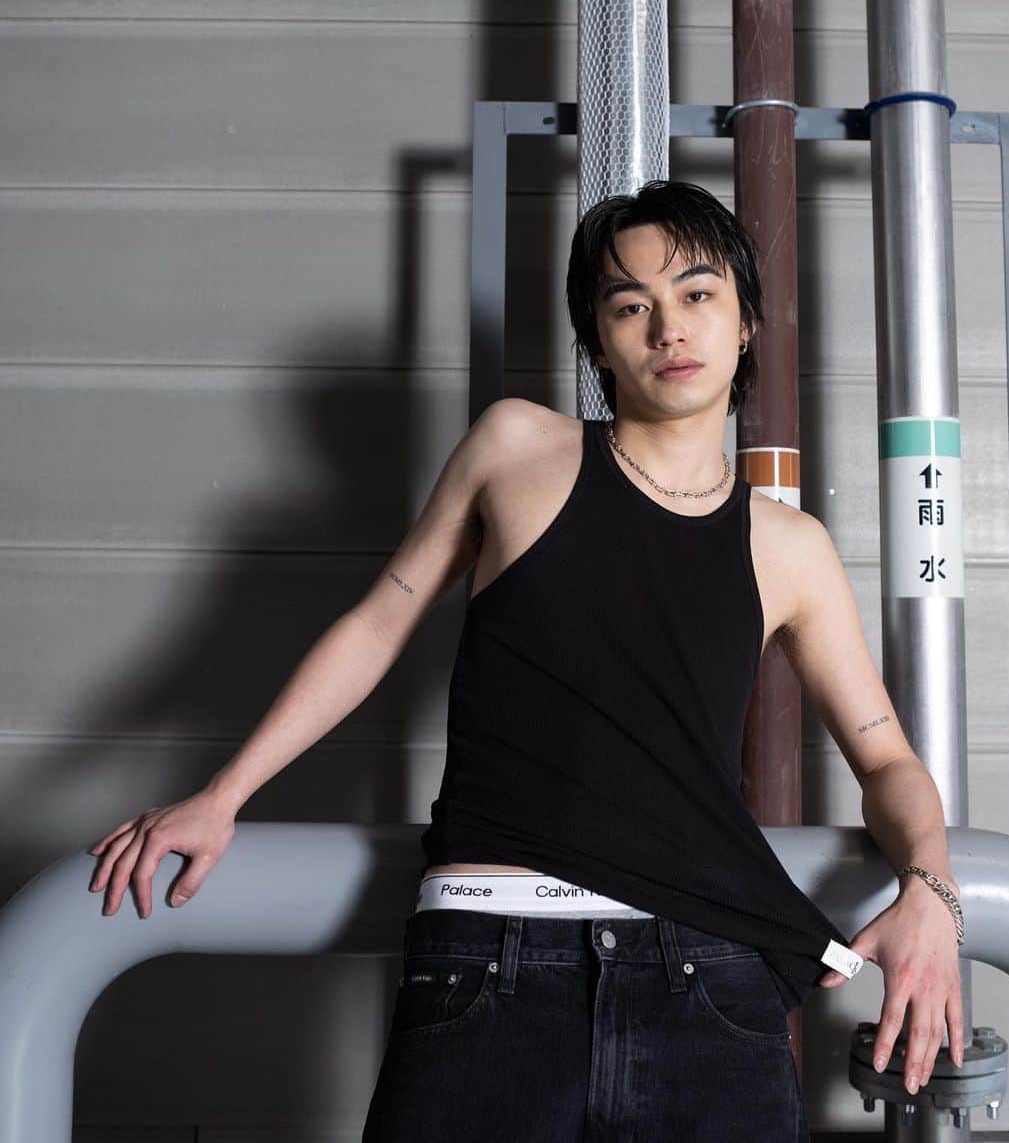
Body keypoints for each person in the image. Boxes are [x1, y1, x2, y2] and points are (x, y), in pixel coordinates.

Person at [87, 180, 964, 1141]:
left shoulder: (790, 547)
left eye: (697, 294)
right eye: (630, 306)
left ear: (746, 320)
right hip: (487, 962)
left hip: (707, 977)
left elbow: (886, 759)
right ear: (598, 342)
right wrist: (223, 795)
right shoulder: (517, 449)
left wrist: (932, 890)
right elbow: (378, 625)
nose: (668, 328)